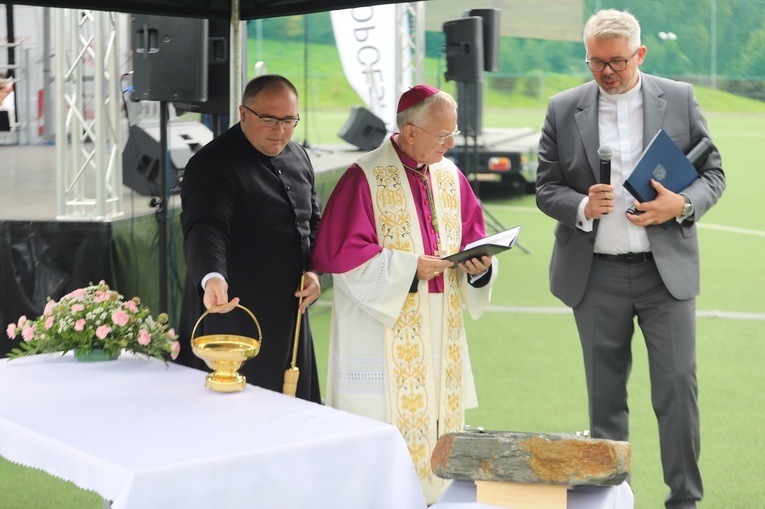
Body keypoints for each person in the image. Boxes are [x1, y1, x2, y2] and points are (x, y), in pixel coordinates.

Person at [536, 9, 725, 509]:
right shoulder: (562, 107)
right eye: (596, 62)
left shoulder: (679, 98)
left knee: (677, 392)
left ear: (639, 54)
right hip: (595, 276)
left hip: (666, 277)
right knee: (605, 400)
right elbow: (545, 185)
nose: (607, 72)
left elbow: (713, 174)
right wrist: (579, 205)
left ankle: (683, 499)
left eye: (617, 61)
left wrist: (680, 205)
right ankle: (611, 499)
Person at [312, 85, 498, 504]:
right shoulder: (365, 176)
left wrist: (481, 269)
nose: (450, 144)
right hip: (383, 330)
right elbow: (343, 257)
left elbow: (475, 237)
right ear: (410, 132)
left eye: (453, 133)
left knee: (437, 425)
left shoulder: (451, 175)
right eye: (442, 135)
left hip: (441, 330)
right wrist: (409, 267)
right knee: (382, 442)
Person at [175, 75, 322, 403]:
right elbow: (205, 225)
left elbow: (312, 221)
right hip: (235, 309)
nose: (279, 130)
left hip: (291, 312)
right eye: (268, 119)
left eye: (289, 120)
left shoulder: (299, 156)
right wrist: (212, 276)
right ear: (243, 113)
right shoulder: (213, 164)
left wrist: (314, 272)